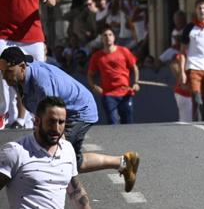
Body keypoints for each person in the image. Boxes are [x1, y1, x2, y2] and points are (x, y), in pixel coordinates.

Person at [0, 47, 140, 193]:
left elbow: (55, 118)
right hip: (64, 110)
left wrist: (59, 144)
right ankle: (125, 163)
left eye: (8, 71)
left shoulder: (41, 82)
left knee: (59, 154)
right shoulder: (18, 78)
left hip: (78, 111)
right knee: (75, 161)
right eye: (2, 72)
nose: (4, 76)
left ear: (22, 67)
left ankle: (73, 196)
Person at [0, 96, 110, 209]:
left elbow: (76, 193)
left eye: (61, 122)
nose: (57, 128)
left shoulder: (67, 150)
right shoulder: (15, 151)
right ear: (37, 121)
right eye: (51, 121)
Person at [0, 0, 63, 129]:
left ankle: (33, 117)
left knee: (35, 77)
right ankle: (4, 113)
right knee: (3, 73)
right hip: (5, 36)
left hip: (32, 37)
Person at [88, 27, 140, 125]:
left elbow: (135, 68)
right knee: (113, 121)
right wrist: (94, 86)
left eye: (110, 35)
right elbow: (90, 75)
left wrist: (136, 83)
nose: (108, 37)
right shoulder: (97, 56)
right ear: (101, 39)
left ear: (114, 37)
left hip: (125, 92)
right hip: (108, 94)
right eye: (105, 35)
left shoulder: (124, 51)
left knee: (128, 122)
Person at [170, 52, 192, 122]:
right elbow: (173, 65)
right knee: (186, 120)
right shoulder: (181, 55)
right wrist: (182, 83)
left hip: (192, 93)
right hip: (184, 93)